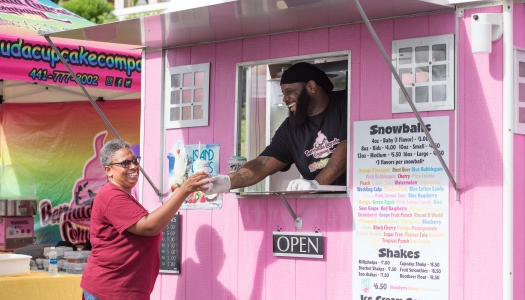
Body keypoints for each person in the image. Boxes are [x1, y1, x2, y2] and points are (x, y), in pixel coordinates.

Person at [81, 139, 210, 300]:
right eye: (125, 163)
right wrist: (184, 190)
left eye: (135, 160)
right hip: (109, 290)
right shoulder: (111, 195)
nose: (134, 166)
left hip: (126, 291)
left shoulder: (123, 195)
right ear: (108, 170)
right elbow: (149, 226)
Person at [209, 62, 347, 194]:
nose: (285, 99)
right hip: (322, 206)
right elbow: (262, 164)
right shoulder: (291, 127)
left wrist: (317, 184)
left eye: (289, 91)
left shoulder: (346, 103)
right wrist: (228, 181)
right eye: (283, 93)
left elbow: (348, 147)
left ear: (311, 87)